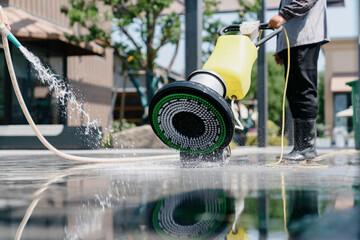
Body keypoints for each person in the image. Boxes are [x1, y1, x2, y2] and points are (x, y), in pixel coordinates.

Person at [268, 0, 329, 161]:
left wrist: (283, 14)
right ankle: (300, 146)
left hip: (305, 38)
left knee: (303, 91)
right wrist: (280, 47)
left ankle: (306, 148)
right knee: (294, 93)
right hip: (293, 41)